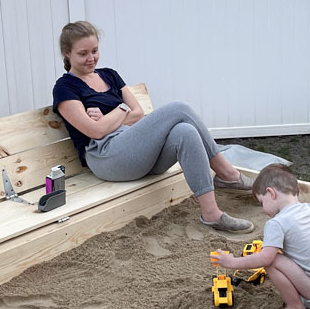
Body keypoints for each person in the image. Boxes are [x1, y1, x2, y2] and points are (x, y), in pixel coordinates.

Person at [52, 21, 255, 232]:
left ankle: (212, 214)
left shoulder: (109, 74)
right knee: (179, 108)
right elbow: (95, 131)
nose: (91, 58)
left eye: (95, 51)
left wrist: (106, 118)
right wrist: (121, 108)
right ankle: (228, 175)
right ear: (67, 54)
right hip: (107, 156)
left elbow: (138, 114)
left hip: (135, 150)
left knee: (185, 132)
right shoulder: (65, 87)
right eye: (83, 53)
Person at [211, 164, 310, 309]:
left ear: (271, 193)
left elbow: (265, 258)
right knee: (281, 256)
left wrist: (232, 262)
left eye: (262, 202)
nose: (263, 209)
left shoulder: (277, 223)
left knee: (272, 260)